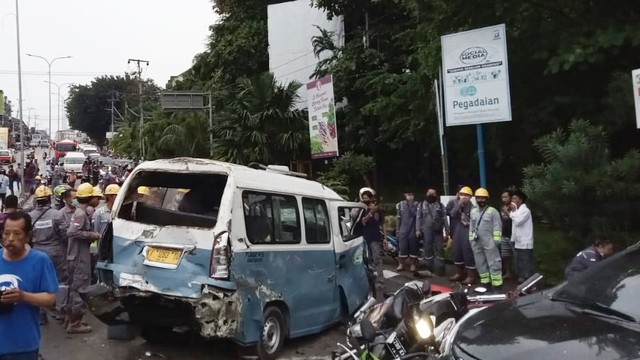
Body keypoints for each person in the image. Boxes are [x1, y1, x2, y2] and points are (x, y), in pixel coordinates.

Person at [0, 212, 58, 360]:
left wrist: (23, 296)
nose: (10, 239)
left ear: (28, 236)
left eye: (16, 233)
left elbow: (50, 299)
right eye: (6, 233)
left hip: (23, 346)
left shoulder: (40, 261)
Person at [28, 186, 70, 325]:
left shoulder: (30, 216)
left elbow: (27, 237)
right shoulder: (57, 215)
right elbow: (65, 235)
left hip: (37, 252)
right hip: (56, 252)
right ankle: (60, 311)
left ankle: (41, 314)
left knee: (39, 283)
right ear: (49, 199)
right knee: (62, 281)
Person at [66, 183, 101, 333]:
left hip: (80, 254)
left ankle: (72, 319)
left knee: (76, 287)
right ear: (90, 197)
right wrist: (93, 235)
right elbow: (72, 232)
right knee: (80, 287)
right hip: (79, 257)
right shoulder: (80, 213)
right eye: (95, 197)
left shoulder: (81, 212)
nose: (98, 200)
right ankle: (75, 324)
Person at [469, 188, 503, 291]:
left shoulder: (493, 211)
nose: (481, 200)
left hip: (489, 241)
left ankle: (497, 285)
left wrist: (496, 241)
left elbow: (497, 226)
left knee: (494, 263)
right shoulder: (473, 211)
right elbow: (471, 226)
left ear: (487, 199)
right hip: (476, 242)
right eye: (478, 198)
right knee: (480, 263)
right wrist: (471, 240)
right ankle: (485, 284)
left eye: (483, 198)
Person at [416, 187, 449, 276]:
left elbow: (444, 218)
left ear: (436, 195)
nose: (431, 195)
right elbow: (418, 218)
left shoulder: (440, 205)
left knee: (439, 250)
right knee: (428, 249)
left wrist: (447, 231)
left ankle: (440, 269)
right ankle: (429, 268)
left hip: (438, 231)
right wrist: (418, 229)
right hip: (427, 231)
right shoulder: (421, 204)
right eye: (429, 193)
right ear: (426, 194)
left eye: (433, 193)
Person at [359, 187, 386, 301]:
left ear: (371, 199)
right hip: (365, 237)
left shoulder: (378, 210)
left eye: (367, 198)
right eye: (363, 198)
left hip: (375, 237)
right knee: (367, 259)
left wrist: (385, 236)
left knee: (377, 259)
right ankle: (370, 279)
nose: (365, 200)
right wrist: (371, 213)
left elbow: (383, 223)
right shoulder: (362, 209)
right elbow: (363, 221)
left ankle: (380, 280)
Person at [448, 186, 477, 283]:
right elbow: (452, 214)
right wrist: (459, 205)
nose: (463, 197)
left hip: (468, 230)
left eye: (466, 195)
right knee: (457, 251)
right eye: (462, 195)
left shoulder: (473, 208)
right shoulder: (457, 204)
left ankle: (471, 276)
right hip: (458, 230)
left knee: (468, 252)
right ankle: (459, 273)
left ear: (470, 197)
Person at [510, 190, 534, 283]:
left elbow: (518, 222)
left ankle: (529, 280)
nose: (513, 200)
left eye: (515, 198)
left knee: (526, 261)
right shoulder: (517, 211)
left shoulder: (526, 211)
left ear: (520, 200)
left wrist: (513, 212)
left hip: (525, 241)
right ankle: (522, 278)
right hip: (517, 241)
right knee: (519, 261)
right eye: (512, 198)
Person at [395, 192, 419, 272]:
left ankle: (413, 265)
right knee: (402, 247)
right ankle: (401, 264)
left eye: (411, 194)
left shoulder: (417, 204)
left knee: (413, 248)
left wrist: (411, 204)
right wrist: (397, 230)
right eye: (408, 194)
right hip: (403, 229)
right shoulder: (400, 204)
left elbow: (417, 215)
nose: (410, 196)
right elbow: (398, 218)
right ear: (405, 195)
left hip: (413, 229)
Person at [500, 189, 516, 280]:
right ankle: (508, 272)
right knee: (505, 255)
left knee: (516, 255)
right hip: (504, 234)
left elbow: (516, 219)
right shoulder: (502, 207)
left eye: (506, 197)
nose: (504, 199)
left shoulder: (514, 207)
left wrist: (507, 212)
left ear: (510, 197)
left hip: (513, 235)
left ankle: (520, 275)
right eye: (502, 197)